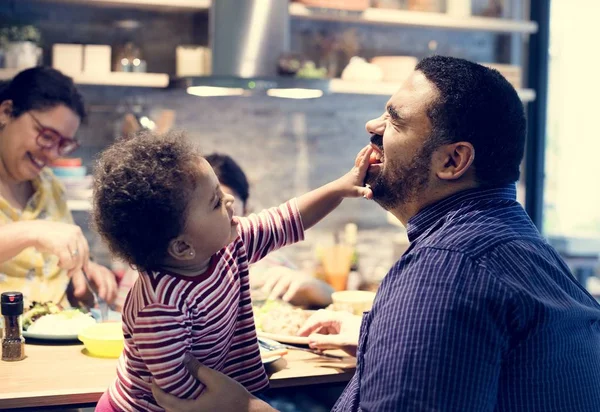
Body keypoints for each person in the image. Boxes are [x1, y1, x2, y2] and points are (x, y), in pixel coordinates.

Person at [150, 55, 600, 412]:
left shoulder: (444, 271)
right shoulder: (523, 247)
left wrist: (243, 410)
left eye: (395, 120)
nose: (373, 128)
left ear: (452, 161)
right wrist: (376, 331)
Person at [92, 130, 372, 411]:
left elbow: (286, 219)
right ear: (182, 247)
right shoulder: (159, 306)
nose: (228, 200)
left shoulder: (228, 245)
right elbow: (179, 392)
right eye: (215, 201)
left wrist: (340, 188)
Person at [113, 153, 334, 310]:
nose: (227, 205)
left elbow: (286, 219)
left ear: (247, 209)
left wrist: (314, 288)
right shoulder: (156, 270)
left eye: (230, 202)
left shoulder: (271, 259)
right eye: (215, 203)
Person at [0, 67, 117, 307]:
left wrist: (85, 273)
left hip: (55, 337)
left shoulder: (50, 186)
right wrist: (31, 232)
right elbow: (38, 234)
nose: (52, 155)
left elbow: (58, 268)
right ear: (6, 112)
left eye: (62, 144)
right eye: (46, 136)